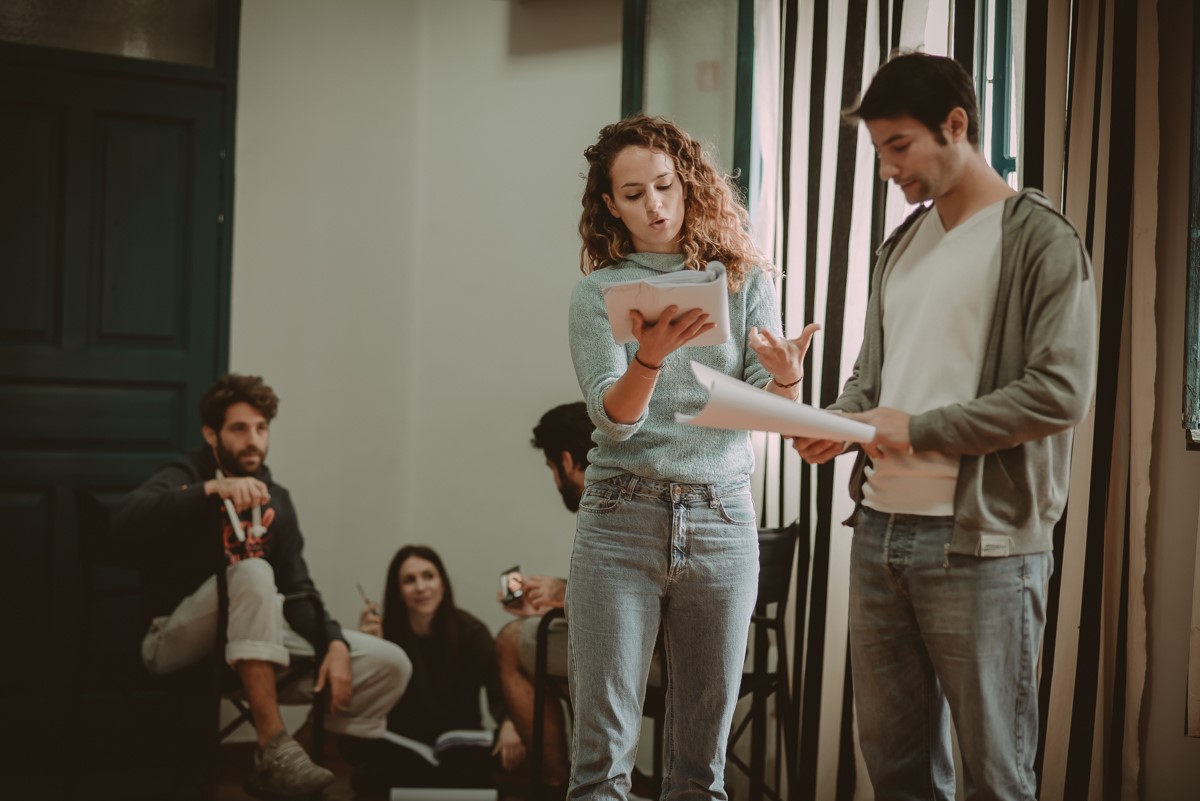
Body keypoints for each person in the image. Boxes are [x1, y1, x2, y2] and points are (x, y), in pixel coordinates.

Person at [791, 53, 1097, 800]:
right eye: (880, 151)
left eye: (899, 146)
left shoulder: (1040, 239)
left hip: (982, 547)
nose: (888, 169)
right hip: (878, 534)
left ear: (955, 125)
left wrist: (916, 430)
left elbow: (1059, 394)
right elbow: (872, 380)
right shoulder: (900, 246)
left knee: (996, 777)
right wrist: (836, 423)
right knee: (896, 772)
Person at [566, 114, 820, 800]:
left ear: (687, 184)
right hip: (620, 517)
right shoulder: (598, 293)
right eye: (633, 194)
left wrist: (788, 376)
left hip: (722, 519)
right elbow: (614, 422)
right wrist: (650, 357)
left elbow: (768, 406)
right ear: (610, 204)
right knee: (601, 764)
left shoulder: (741, 278)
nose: (654, 205)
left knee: (700, 771)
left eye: (664, 186)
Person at [112, 373, 412, 799]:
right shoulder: (187, 475)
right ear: (211, 434)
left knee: (389, 663)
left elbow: (298, 588)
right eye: (239, 429)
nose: (253, 440)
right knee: (253, 571)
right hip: (176, 643)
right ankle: (272, 745)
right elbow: (123, 520)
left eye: (261, 428)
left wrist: (333, 643)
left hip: (256, 648)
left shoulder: (276, 498)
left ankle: (299, 757)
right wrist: (212, 488)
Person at [354, 544, 522, 794]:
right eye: (409, 580)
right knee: (363, 749)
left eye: (428, 576)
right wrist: (373, 648)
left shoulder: (472, 632)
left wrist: (510, 722)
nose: (421, 587)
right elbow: (366, 707)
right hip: (404, 742)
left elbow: (499, 688)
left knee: (488, 756)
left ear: (443, 583)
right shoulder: (386, 633)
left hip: (460, 744)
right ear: (398, 591)